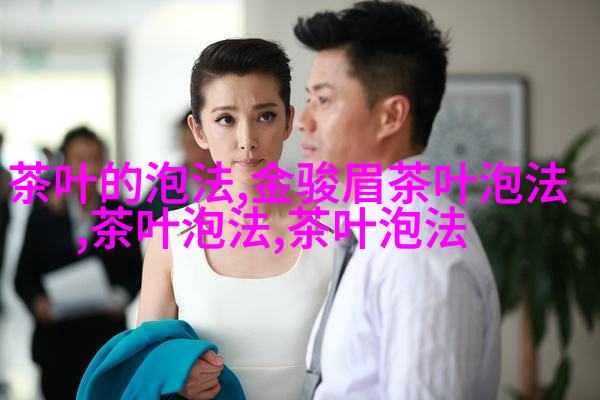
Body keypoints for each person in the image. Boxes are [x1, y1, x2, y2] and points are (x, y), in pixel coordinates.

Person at [294, 1, 501, 399]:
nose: (304, 120)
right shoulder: (378, 230)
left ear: (390, 116)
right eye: (309, 99)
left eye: (324, 100)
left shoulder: (418, 246)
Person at [137, 38, 334, 400]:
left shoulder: (338, 231)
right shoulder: (171, 238)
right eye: (226, 119)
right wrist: (175, 379)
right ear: (199, 130)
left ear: (288, 121)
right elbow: (146, 373)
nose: (247, 140)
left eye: (265, 116)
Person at [14, 126, 143, 400]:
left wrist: (121, 296)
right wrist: (37, 303)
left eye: (94, 159)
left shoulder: (121, 214)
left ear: (104, 164)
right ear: (65, 164)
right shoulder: (43, 215)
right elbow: (22, 276)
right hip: (56, 342)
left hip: (104, 340)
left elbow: (136, 271)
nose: (87, 168)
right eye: (79, 159)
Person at [137, 110, 217, 223]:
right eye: (192, 144)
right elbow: (140, 222)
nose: (200, 151)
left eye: (205, 143)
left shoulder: (236, 183)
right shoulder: (167, 186)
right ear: (182, 144)